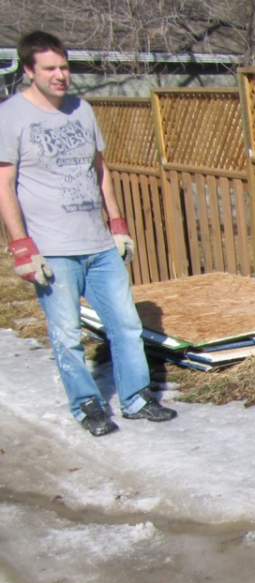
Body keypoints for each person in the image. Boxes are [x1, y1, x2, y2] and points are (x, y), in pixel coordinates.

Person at [0, 31, 175, 436]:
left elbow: (100, 171)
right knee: (67, 335)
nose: (60, 75)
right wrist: (22, 245)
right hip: (53, 249)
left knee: (127, 325)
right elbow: (5, 185)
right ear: (29, 71)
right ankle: (86, 405)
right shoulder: (11, 116)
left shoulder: (82, 110)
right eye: (50, 69)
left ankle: (135, 399)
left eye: (64, 67)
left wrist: (117, 224)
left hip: (98, 245)